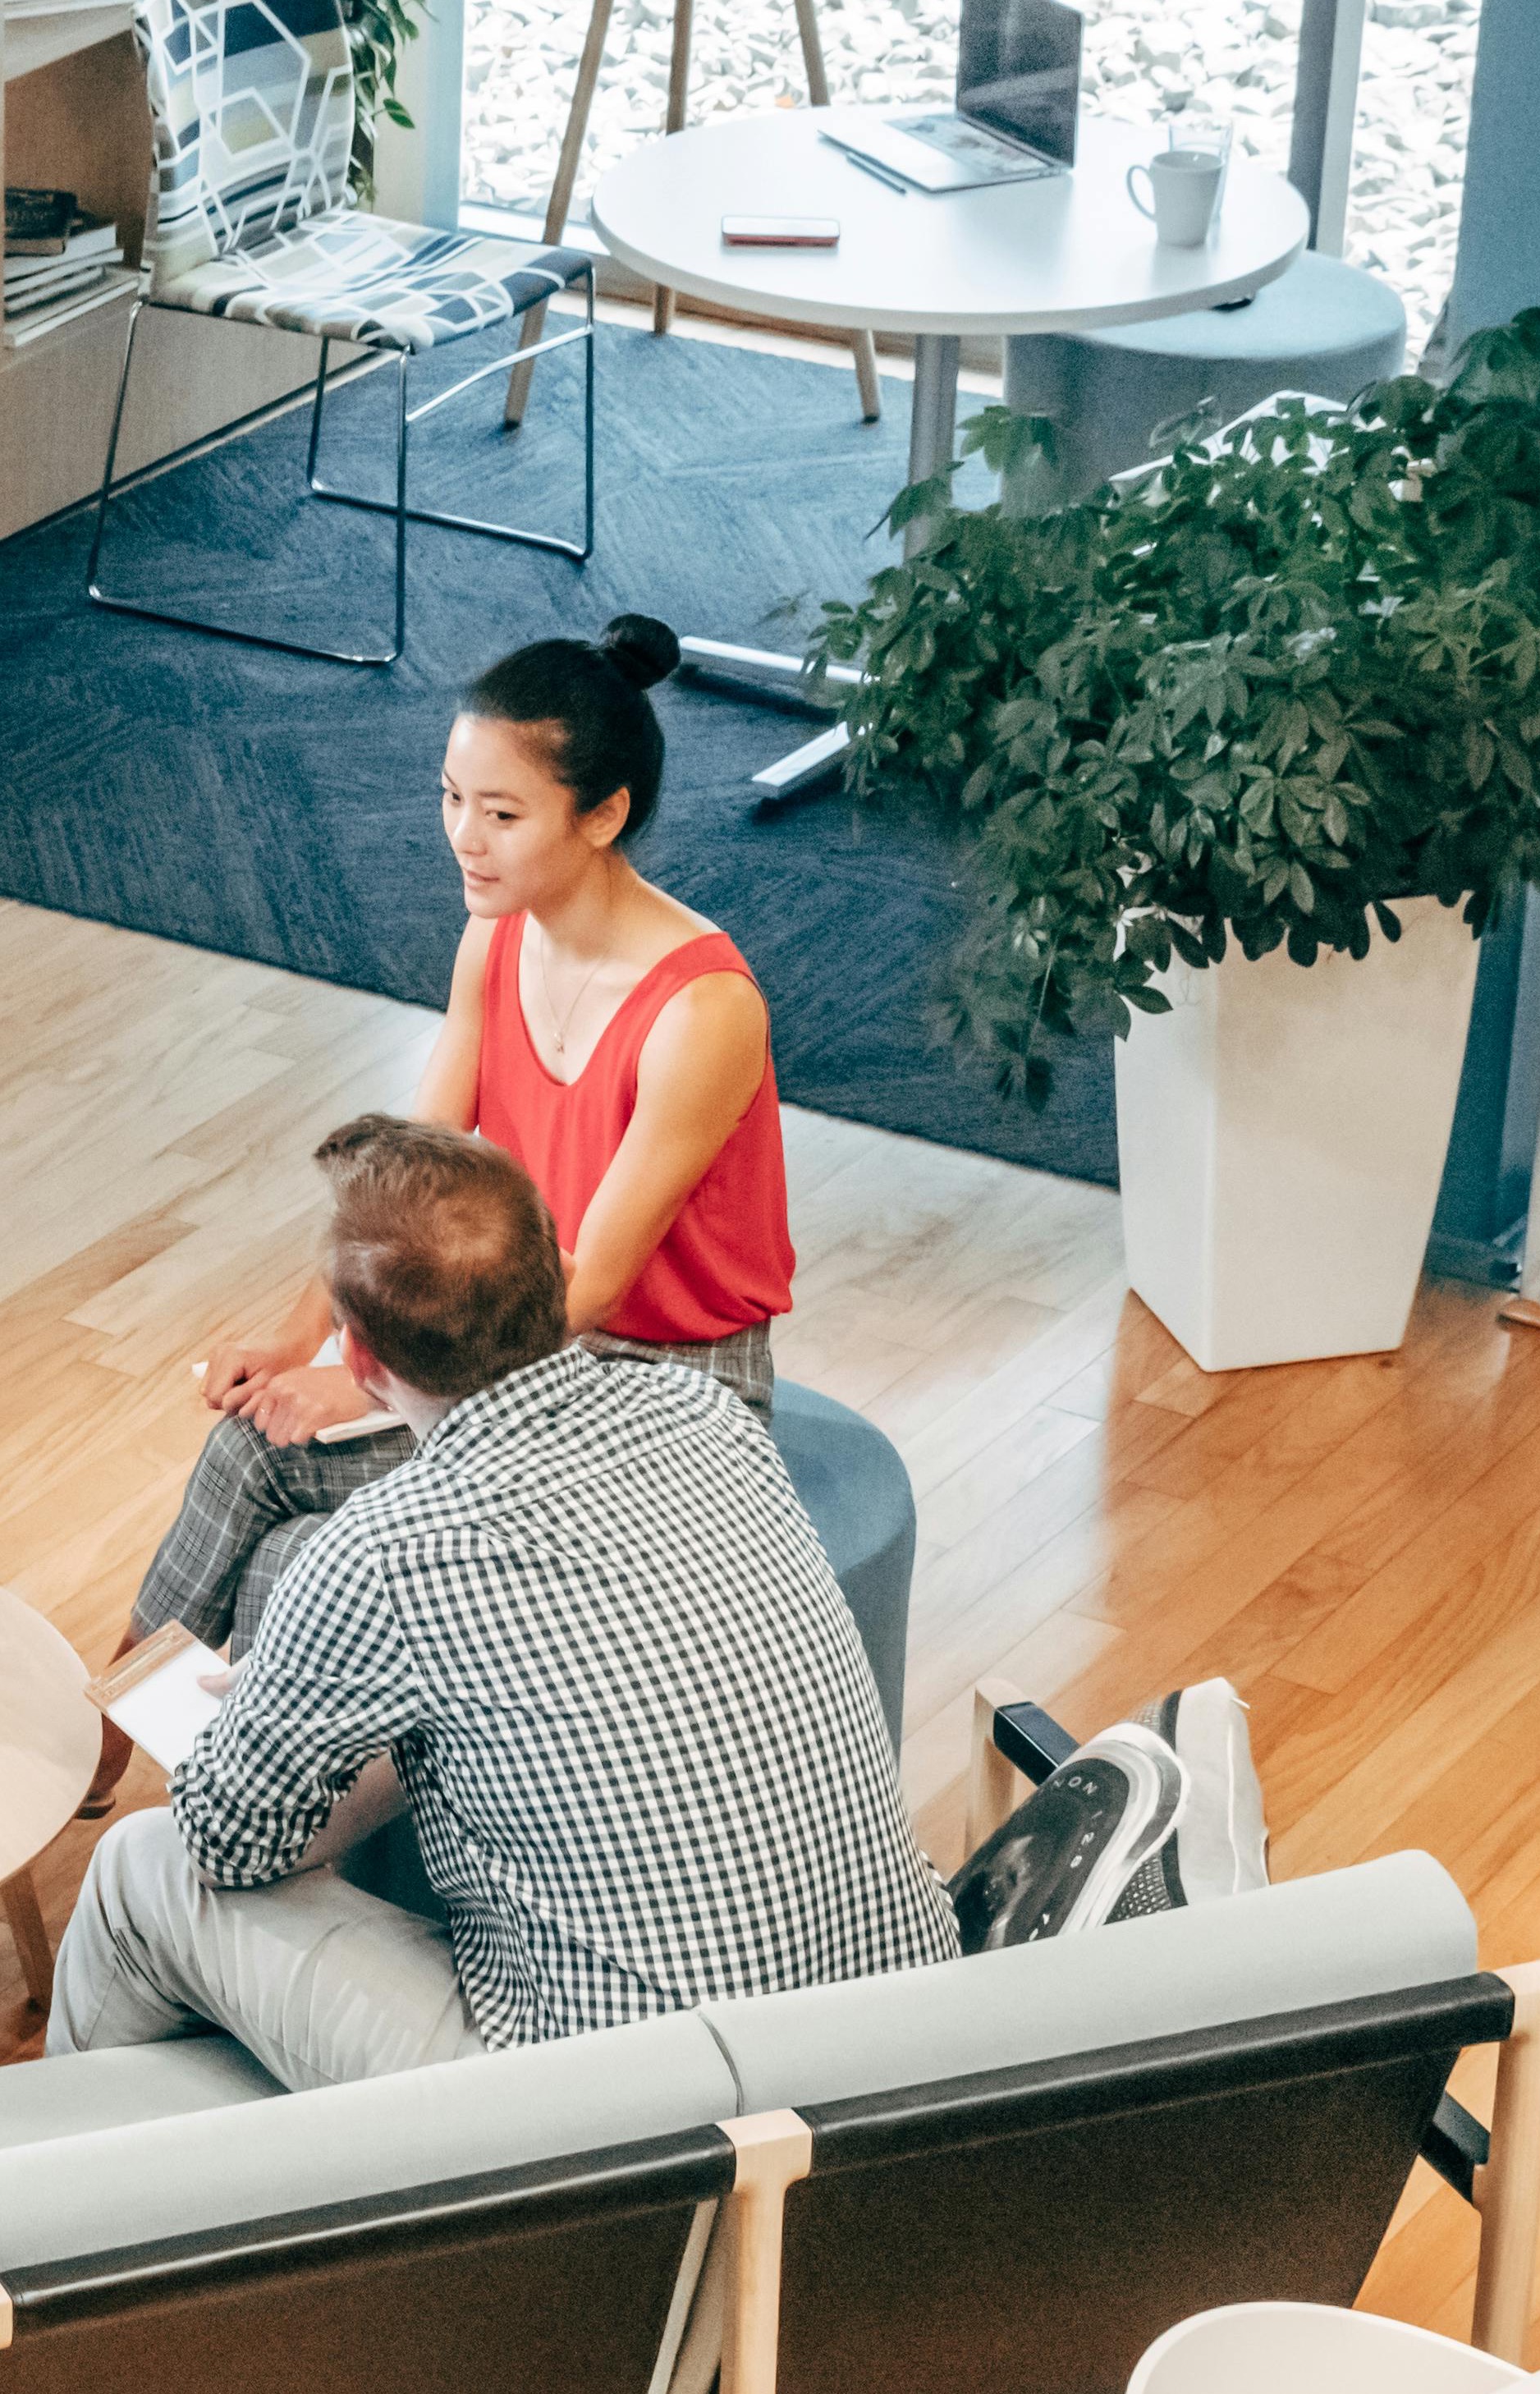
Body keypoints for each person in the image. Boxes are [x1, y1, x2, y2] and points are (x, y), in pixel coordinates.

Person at [50, 1116, 948, 2089]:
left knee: (141, 1873)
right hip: (894, 2050)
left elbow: (227, 1842)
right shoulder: (712, 1419)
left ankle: (66, 2210)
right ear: (560, 1275)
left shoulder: (385, 1554)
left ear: (360, 1364)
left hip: (625, 2125)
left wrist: (270, 1710)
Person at [139, 613, 794, 1662]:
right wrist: (300, 1338)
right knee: (248, 1458)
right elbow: (398, 1182)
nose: (462, 837)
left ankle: (241, 1796)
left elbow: (596, 1291)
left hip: (665, 1384)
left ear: (603, 814)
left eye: (501, 812)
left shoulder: (704, 1011)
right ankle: (107, 1725)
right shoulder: (494, 935)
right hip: (503, 1333)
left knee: (304, 1562)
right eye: (451, 797)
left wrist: (368, 1378)